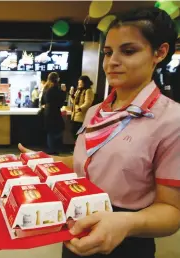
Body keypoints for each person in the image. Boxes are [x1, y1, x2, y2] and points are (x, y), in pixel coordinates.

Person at [18, 7, 180, 258]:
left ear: (159, 52)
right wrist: (46, 162)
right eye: (107, 52)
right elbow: (90, 162)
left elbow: (171, 210)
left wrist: (126, 223)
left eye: (128, 51)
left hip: (125, 237)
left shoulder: (172, 120)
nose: (112, 62)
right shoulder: (95, 111)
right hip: (75, 223)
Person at [41, 72, 66, 154]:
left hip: (47, 112)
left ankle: (51, 150)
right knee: (58, 130)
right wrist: (64, 91)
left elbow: (42, 101)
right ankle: (54, 150)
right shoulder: (56, 88)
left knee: (50, 132)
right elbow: (61, 102)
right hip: (55, 112)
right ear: (57, 79)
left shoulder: (46, 88)